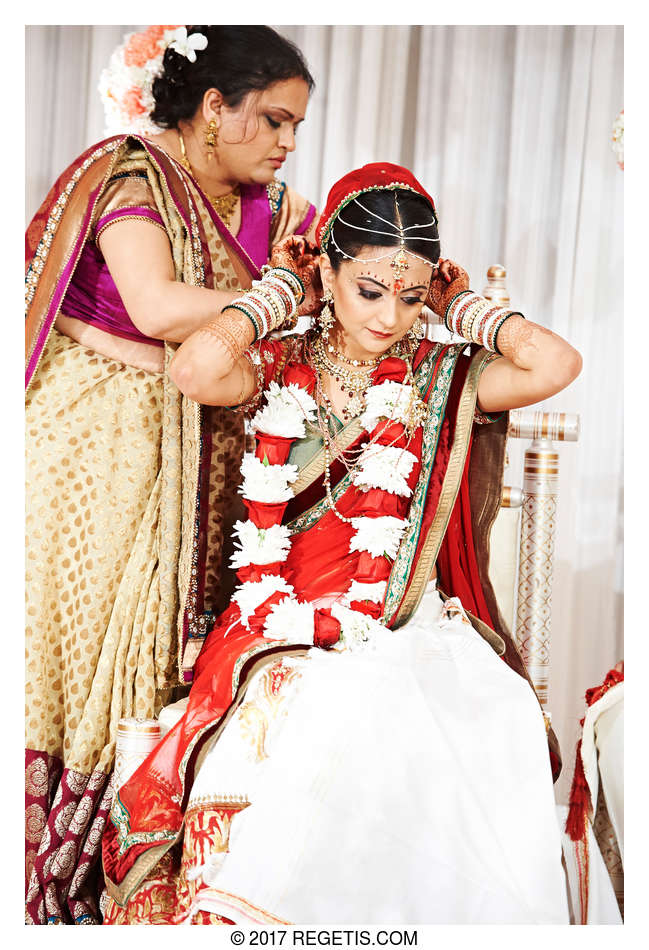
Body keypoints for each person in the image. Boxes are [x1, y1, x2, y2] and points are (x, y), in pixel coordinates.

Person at [102, 162, 582, 925]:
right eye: (368, 289)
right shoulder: (285, 364)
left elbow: (554, 364)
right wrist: (277, 295)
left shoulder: (437, 373)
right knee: (326, 705)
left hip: (395, 616)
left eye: (412, 295)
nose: (391, 316)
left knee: (474, 712)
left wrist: (463, 311)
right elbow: (195, 367)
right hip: (277, 615)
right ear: (326, 267)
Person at [25, 24, 319, 925]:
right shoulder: (133, 176)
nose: (284, 142)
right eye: (270, 119)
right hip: (89, 453)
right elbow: (154, 305)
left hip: (202, 453)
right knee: (72, 666)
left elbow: (345, 277)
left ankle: (132, 889)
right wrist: (285, 304)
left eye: (295, 127)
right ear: (211, 106)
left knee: (161, 669)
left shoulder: (277, 210)